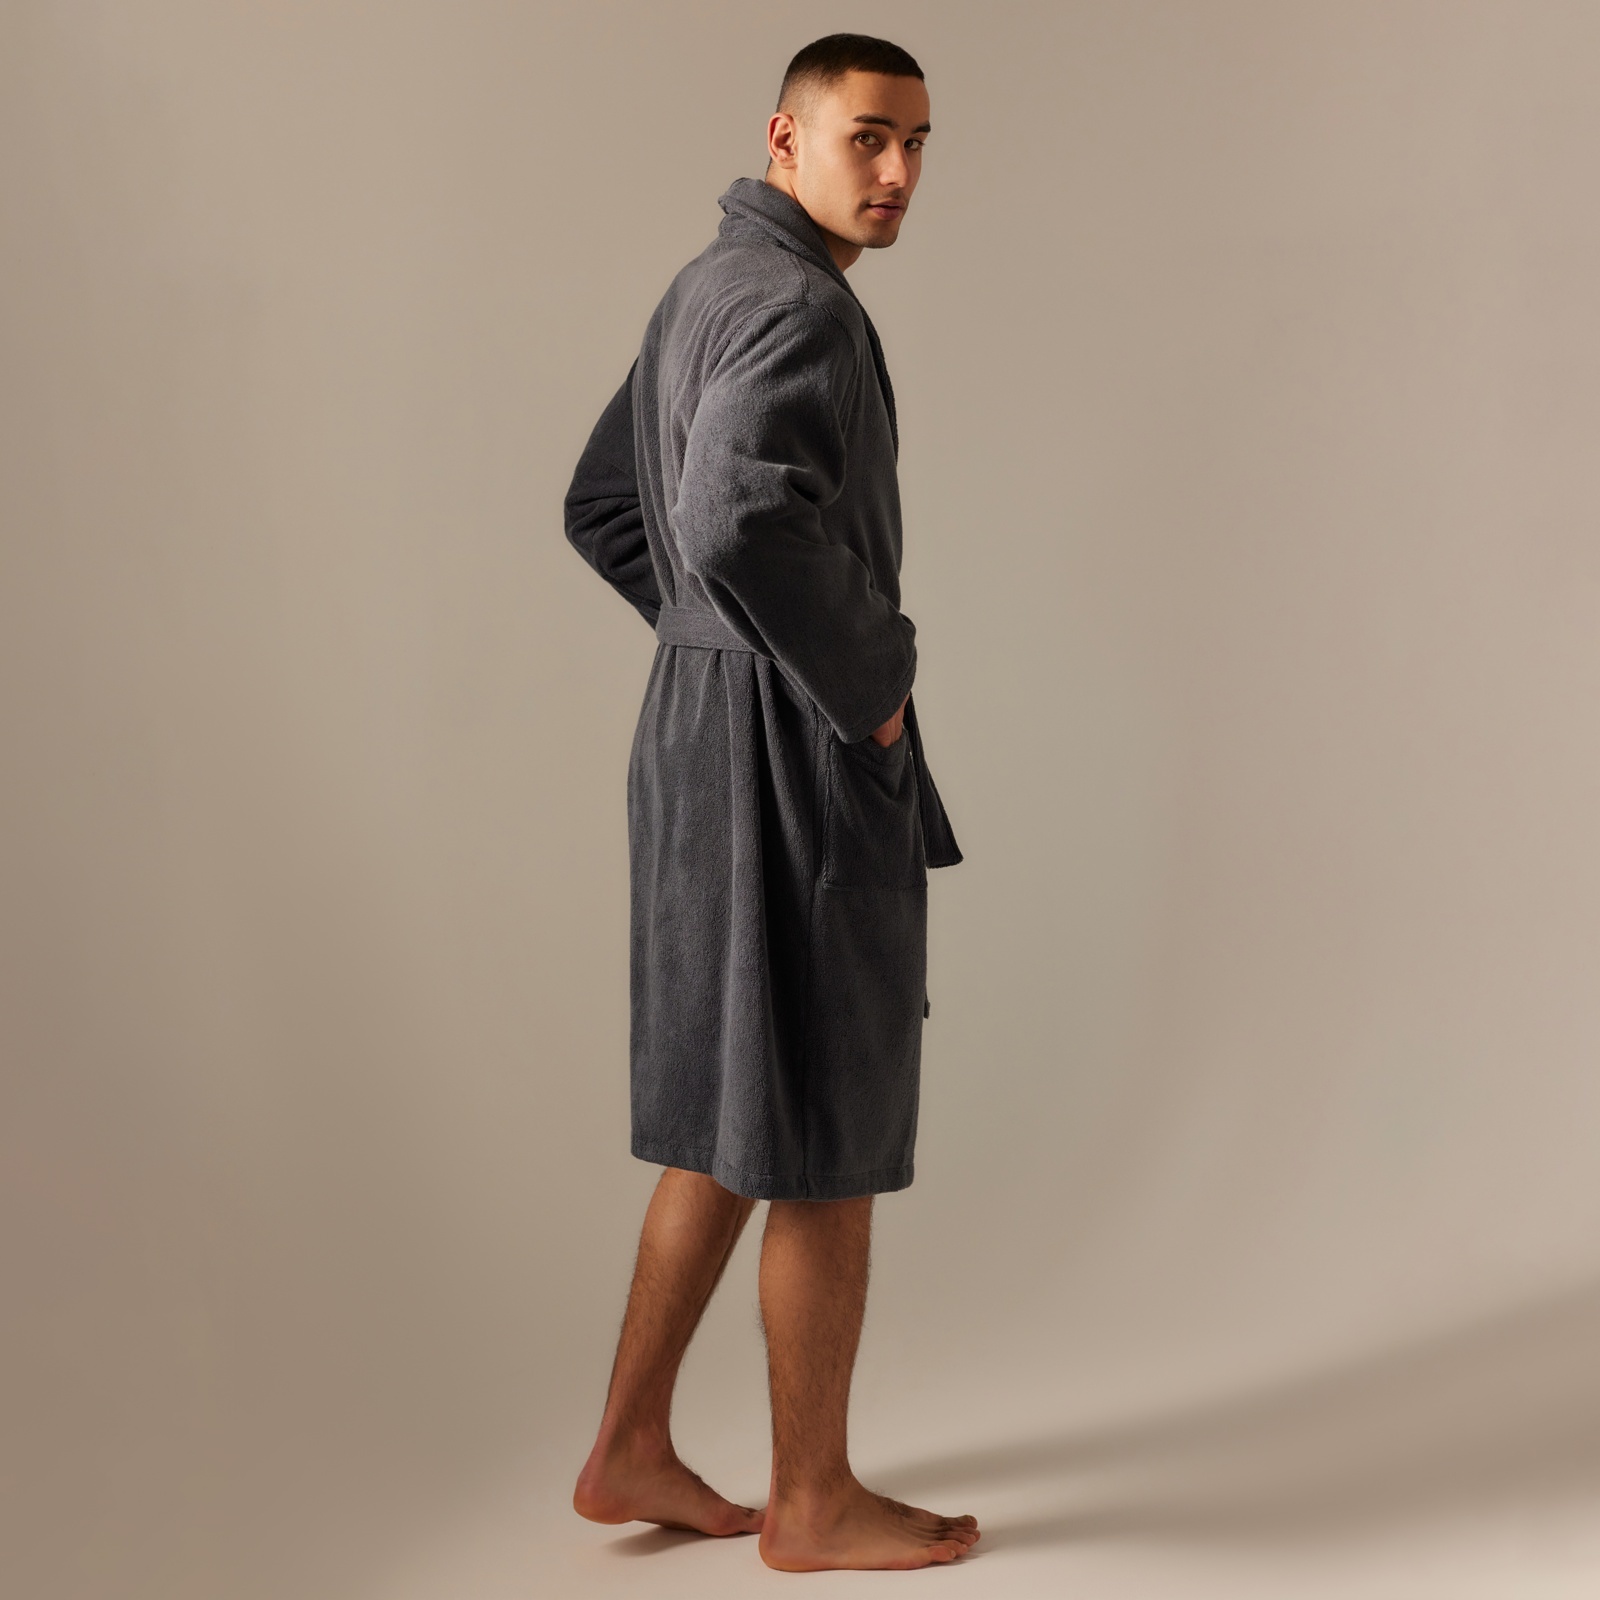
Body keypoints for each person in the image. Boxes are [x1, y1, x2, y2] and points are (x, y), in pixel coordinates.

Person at [563, 33, 975, 1572]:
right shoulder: (798, 306)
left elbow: (609, 506)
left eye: (919, 144)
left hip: (693, 736)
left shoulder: (703, 288)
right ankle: (813, 1502)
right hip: (790, 744)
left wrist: (705, 636)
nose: (898, 172)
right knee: (825, 1117)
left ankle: (628, 1448)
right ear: (785, 138)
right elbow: (730, 514)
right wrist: (870, 678)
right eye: (868, 137)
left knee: (738, 1104)